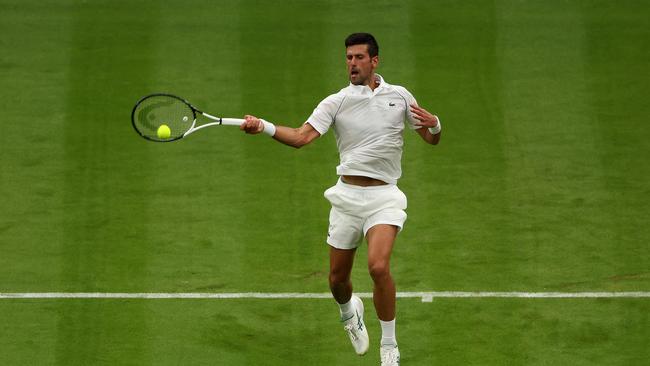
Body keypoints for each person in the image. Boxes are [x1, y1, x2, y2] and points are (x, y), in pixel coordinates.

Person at [240, 32, 441, 365]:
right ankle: (350, 312)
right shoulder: (336, 102)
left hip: (384, 197)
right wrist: (263, 126)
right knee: (337, 280)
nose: (352, 64)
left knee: (378, 266)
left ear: (374, 61)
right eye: (348, 58)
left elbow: (430, 138)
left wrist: (435, 126)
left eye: (359, 58)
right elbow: (301, 137)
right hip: (346, 198)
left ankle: (389, 346)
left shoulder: (400, 97)